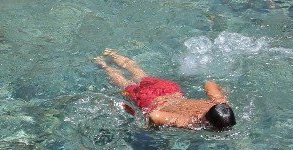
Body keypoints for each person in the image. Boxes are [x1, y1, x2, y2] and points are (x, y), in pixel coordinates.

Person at [95, 49, 236, 130]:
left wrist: (223, 91)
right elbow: (154, 116)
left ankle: (111, 54)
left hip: (169, 90)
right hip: (150, 100)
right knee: (125, 84)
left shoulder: (220, 103)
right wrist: (150, 128)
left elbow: (210, 84)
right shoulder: (190, 121)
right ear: (207, 122)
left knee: (140, 74)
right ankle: (103, 65)